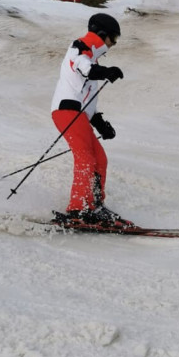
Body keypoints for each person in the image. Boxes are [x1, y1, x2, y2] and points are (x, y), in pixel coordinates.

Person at [51, 12, 132, 228]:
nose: (114, 43)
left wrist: (100, 124)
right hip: (66, 110)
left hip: (79, 114)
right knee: (85, 158)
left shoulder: (92, 57)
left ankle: (94, 206)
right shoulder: (80, 46)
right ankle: (78, 208)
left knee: (99, 159)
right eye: (114, 38)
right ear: (102, 34)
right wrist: (105, 71)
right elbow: (83, 66)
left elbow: (87, 99)